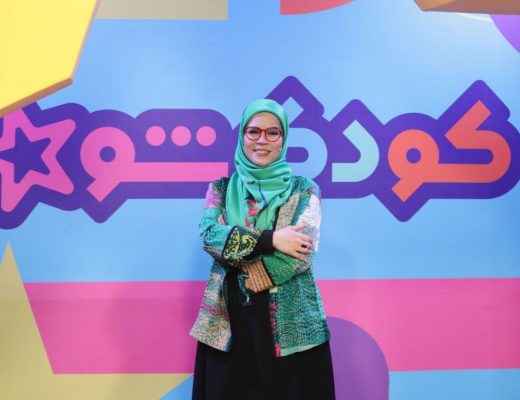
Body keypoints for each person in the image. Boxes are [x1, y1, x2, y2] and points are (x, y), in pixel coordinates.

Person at [190, 99, 335, 399]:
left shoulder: (305, 190)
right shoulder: (220, 189)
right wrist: (273, 239)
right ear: (242, 135)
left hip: (291, 327)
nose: (262, 140)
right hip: (228, 323)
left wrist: (240, 259)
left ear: (284, 138)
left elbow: (300, 252)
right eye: (253, 131)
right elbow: (210, 236)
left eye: (273, 133)